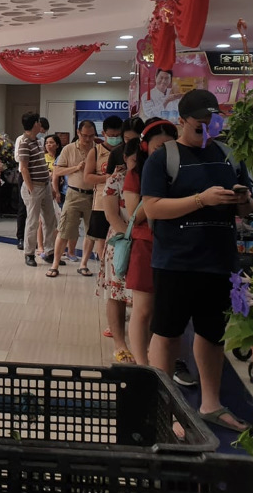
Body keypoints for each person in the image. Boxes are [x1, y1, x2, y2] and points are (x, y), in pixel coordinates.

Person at [142, 89, 253, 432]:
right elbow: (152, 209)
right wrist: (200, 200)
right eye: (199, 126)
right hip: (175, 261)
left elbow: (246, 211)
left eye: (213, 124)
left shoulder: (229, 155)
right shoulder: (163, 158)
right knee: (167, 334)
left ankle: (211, 404)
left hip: (218, 260)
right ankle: (165, 410)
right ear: (181, 122)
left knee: (212, 334)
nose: (208, 132)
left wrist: (243, 200)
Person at [124, 118, 179, 365]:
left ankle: (162, 362)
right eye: (159, 147)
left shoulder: (182, 170)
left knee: (167, 313)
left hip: (176, 246)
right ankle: (142, 366)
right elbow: (134, 214)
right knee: (143, 310)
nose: (166, 152)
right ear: (145, 147)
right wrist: (157, 194)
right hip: (146, 245)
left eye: (171, 146)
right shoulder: (137, 173)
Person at [99, 138, 138, 363]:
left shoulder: (154, 177)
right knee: (117, 293)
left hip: (148, 243)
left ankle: (142, 343)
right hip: (122, 241)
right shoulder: (116, 179)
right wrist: (131, 238)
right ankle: (119, 343)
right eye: (134, 159)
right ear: (125, 158)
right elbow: (111, 215)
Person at [46, 120, 97, 277]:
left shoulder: (98, 149)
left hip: (93, 196)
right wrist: (76, 168)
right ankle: (55, 265)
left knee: (91, 232)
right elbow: (57, 170)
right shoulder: (68, 149)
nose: (88, 139)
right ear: (78, 133)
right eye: (84, 135)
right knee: (64, 230)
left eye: (91, 136)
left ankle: (83, 264)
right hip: (73, 194)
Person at [81, 116, 125, 274]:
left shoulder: (126, 150)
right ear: (103, 133)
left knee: (122, 235)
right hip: (101, 202)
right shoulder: (96, 151)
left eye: (117, 135)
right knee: (101, 238)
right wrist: (106, 178)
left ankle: (118, 270)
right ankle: (104, 271)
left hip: (124, 202)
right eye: (111, 136)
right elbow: (87, 178)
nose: (114, 138)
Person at [17, 113, 56, 268]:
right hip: (34, 186)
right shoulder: (24, 142)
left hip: (45, 185)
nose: (41, 125)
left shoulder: (38, 141)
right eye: (39, 122)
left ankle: (49, 251)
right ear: (34, 124)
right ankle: (29, 253)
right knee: (33, 221)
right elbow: (24, 168)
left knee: (49, 218)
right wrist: (31, 189)